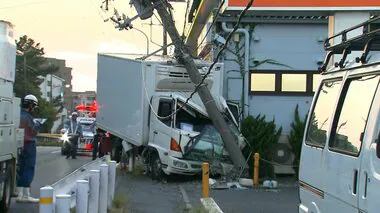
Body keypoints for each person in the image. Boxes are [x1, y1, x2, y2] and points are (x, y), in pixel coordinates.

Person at [16, 94, 41, 203]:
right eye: (34, 106)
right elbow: (33, 131)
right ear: (31, 105)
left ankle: (19, 194)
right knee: (28, 167)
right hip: (29, 143)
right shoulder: (28, 117)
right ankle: (26, 195)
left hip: (18, 144)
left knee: (20, 167)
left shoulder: (17, 114)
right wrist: (39, 125)